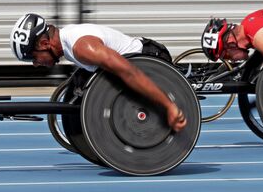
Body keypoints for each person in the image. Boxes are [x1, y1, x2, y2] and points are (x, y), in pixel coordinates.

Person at [10, 13, 186, 132]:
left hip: (151, 60)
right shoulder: (68, 40)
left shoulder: (82, 47)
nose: (34, 64)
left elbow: (129, 72)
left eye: (32, 57)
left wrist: (169, 106)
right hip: (138, 63)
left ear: (44, 44)